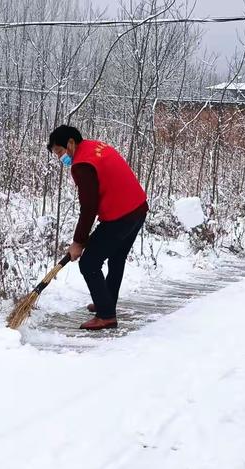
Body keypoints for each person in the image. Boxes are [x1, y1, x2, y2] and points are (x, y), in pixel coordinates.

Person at [47, 125, 148, 330]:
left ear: (71, 143)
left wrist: (78, 242)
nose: (60, 158)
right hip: (138, 209)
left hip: (121, 216)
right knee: (116, 258)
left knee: (89, 264)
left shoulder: (82, 164)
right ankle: (106, 302)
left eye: (60, 152)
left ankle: (106, 315)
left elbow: (89, 207)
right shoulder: (95, 147)